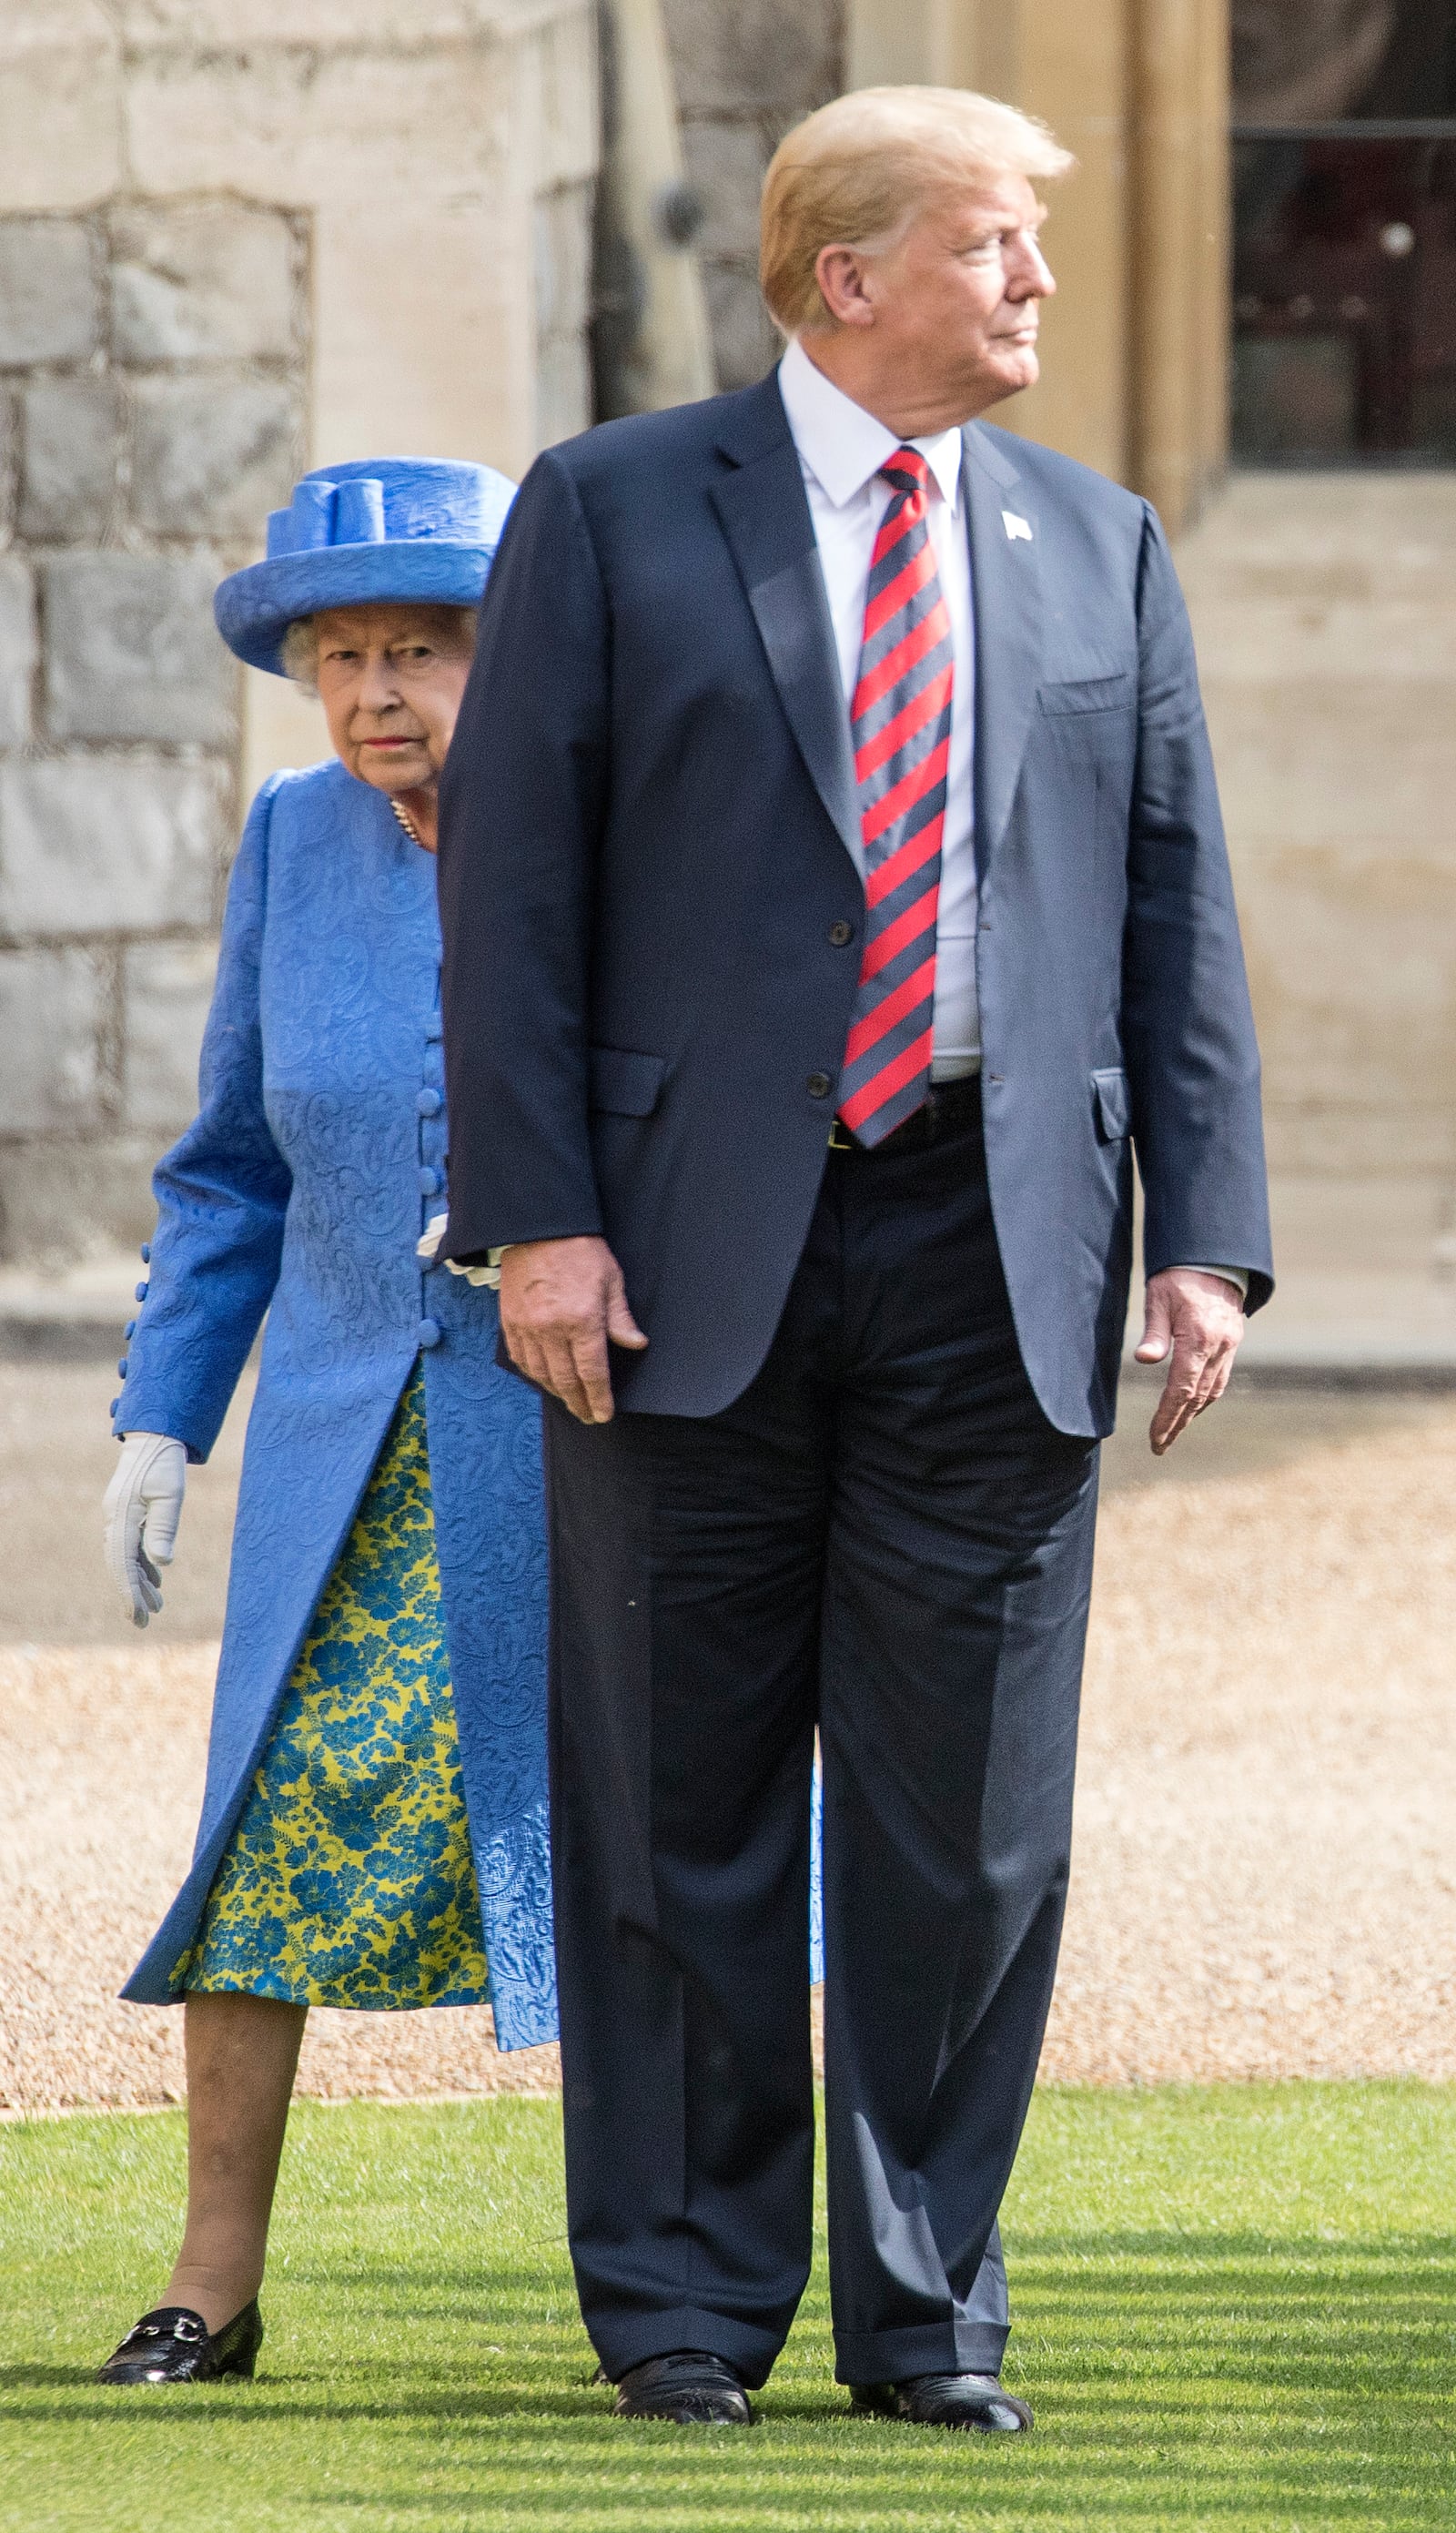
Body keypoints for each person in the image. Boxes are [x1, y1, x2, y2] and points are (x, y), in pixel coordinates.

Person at [435, 86, 1273, 2432]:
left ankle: (928, 2322)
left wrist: (1202, 1242)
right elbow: (509, 899)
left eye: (1030, 251)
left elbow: (1171, 915)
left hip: (992, 1253)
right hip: (676, 1261)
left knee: (970, 1831)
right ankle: (689, 2313)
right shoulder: (609, 511)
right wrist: (539, 1222)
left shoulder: (1096, 542)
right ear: (845, 280)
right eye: (994, 247)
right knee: (675, 1813)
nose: (1029, 287)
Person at [96, 459, 555, 2389]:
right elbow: (226, 1174)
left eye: (424, 648)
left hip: (584, 1439)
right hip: (341, 1453)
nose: (378, 690)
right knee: (266, 1849)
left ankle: (680, 2300)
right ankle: (209, 2283)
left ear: (505, 653)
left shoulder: (603, 825)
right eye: (341, 654)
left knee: (643, 1857)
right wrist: (161, 1420)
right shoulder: (293, 841)